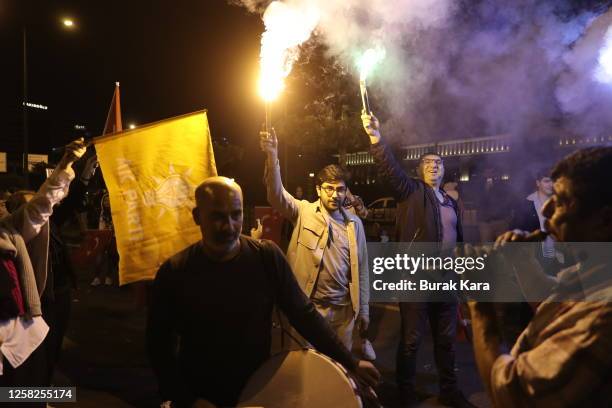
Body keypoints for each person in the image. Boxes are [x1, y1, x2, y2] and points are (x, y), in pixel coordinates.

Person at [146, 176, 379, 408]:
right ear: (197, 217)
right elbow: (158, 347)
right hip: (199, 393)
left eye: (235, 214)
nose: (228, 226)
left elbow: (304, 314)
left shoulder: (266, 257)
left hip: (258, 390)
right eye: (217, 216)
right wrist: (187, 400)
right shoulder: (175, 271)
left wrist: (351, 362)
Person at [469, 147, 612, 407]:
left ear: (605, 220)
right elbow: (555, 304)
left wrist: (479, 306)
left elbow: (510, 395)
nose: (545, 210)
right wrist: (522, 261)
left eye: (561, 201)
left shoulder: (601, 321)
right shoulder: (597, 270)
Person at [362, 113, 474, 408]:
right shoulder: (410, 191)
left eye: (438, 162)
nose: (434, 165)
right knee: (411, 341)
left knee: (446, 341)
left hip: (446, 279)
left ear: (444, 169)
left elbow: (456, 243)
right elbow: (389, 170)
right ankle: (406, 395)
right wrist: (376, 139)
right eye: (427, 162)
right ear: (419, 170)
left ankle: (450, 391)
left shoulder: (450, 202)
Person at [260, 130, 370, 350]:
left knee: (339, 369)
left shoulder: (355, 224)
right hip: (308, 310)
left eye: (340, 190)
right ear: (319, 190)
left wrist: (364, 309)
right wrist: (272, 155)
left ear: (346, 192)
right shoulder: (303, 211)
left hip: (343, 313)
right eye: (329, 189)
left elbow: (363, 269)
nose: (334, 195)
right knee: (307, 368)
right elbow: (275, 194)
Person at [0, 139, 86, 403]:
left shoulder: (9, 230)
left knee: (27, 391)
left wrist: (66, 163)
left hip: (23, 327)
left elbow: (42, 204)